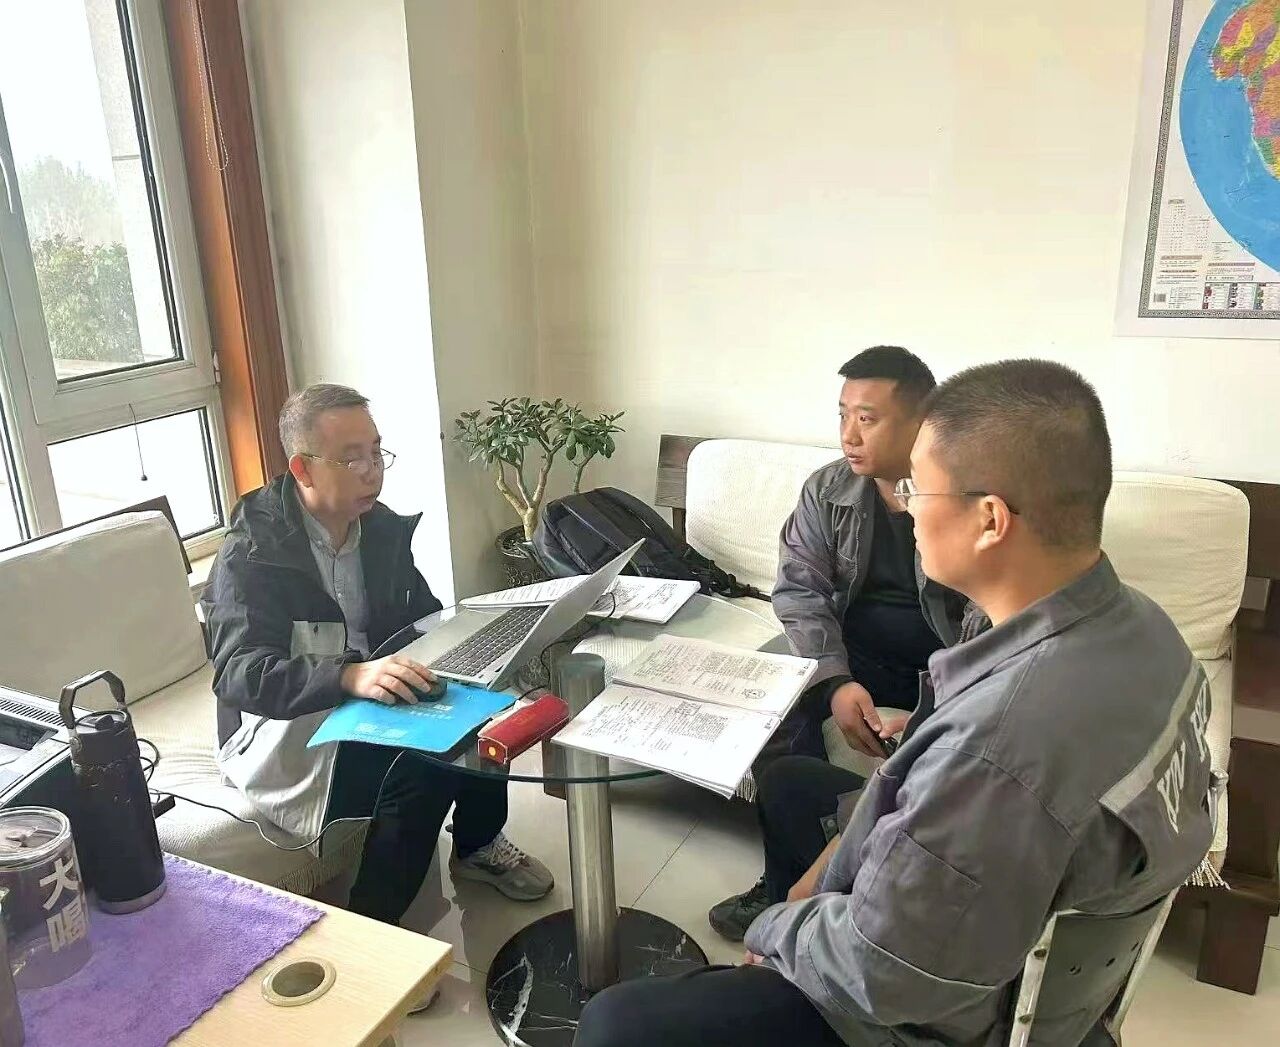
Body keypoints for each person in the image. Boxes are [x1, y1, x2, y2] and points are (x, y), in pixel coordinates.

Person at [575, 360, 1214, 1047]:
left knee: (614, 1024)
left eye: (920, 488)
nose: (907, 506)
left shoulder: (995, 750)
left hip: (930, 1014)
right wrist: (911, 752)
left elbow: (882, 971)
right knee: (792, 783)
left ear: (990, 519)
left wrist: (778, 933)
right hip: (1012, 935)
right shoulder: (1151, 635)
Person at [202, 384, 553, 927]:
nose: (372, 472)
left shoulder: (380, 529)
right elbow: (239, 675)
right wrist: (348, 676)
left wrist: (467, 652)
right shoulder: (252, 553)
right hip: (287, 725)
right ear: (302, 469)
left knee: (486, 702)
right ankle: (373, 931)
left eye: (376, 453)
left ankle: (478, 843)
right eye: (353, 459)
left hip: (370, 690)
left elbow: (424, 616)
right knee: (423, 767)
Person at [710, 346, 970, 941]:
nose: (849, 435)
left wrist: (933, 708)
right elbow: (799, 591)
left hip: (937, 673)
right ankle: (785, 877)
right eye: (843, 415)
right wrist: (834, 681)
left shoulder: (962, 497)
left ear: (922, 420)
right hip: (850, 658)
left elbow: (992, 623)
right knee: (774, 694)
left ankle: (861, 882)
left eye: (867, 419)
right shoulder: (829, 489)